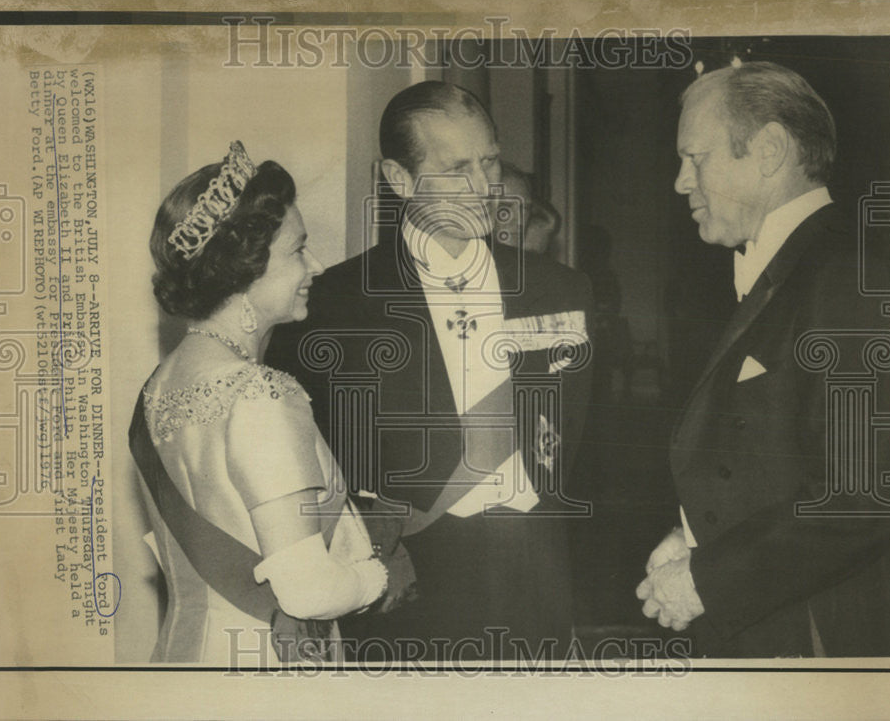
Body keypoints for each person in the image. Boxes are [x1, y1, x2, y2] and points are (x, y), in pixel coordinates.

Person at [267, 82, 594, 661]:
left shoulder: (560, 289)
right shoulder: (333, 305)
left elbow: (568, 445)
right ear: (399, 180)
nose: (486, 187)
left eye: (490, 160)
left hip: (537, 585)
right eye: (457, 168)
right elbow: (307, 466)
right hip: (409, 595)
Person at [636, 62, 890, 657]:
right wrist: (691, 537)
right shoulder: (790, 265)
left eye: (695, 158)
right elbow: (770, 457)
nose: (681, 182)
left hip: (823, 631)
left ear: (769, 150)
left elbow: (861, 496)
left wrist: (708, 579)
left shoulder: (847, 274)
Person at [129, 141, 392, 665]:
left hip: (181, 659)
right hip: (264, 670)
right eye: (298, 250)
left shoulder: (156, 388)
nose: (315, 266)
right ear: (243, 270)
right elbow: (308, 592)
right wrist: (373, 575)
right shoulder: (261, 393)